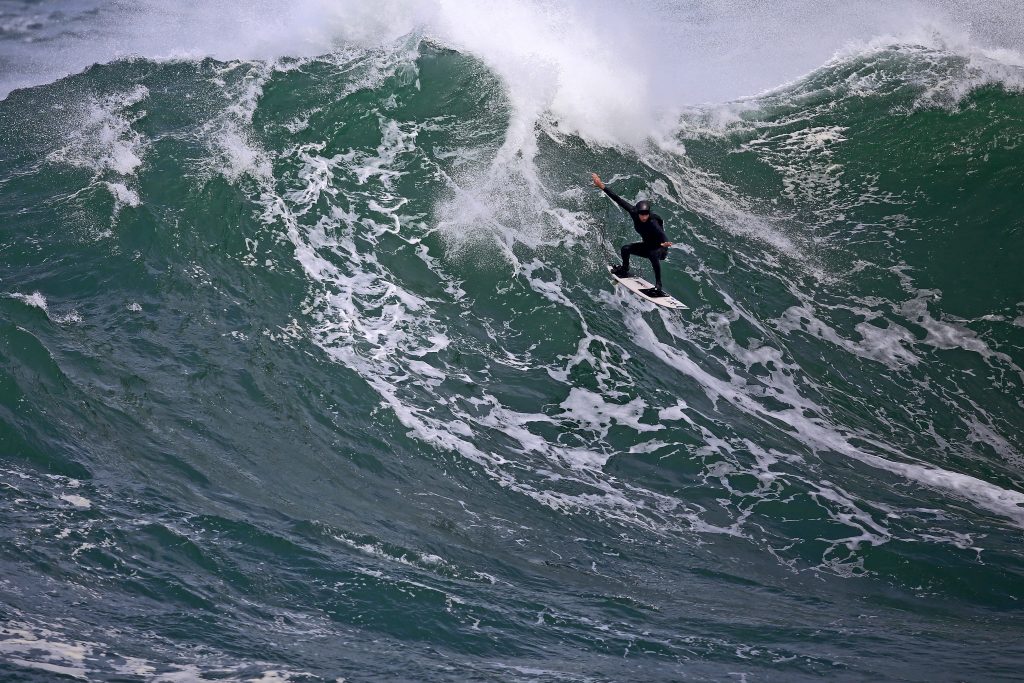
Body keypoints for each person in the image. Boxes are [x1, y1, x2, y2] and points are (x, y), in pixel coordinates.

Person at [591, 173, 673, 297]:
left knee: (652, 253)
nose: (644, 216)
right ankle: (625, 269)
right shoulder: (634, 212)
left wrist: (665, 242)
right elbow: (618, 199)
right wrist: (601, 186)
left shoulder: (653, 221)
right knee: (625, 249)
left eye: (646, 213)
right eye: (642, 214)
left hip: (660, 249)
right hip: (647, 245)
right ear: (638, 212)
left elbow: (661, 233)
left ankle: (658, 286)